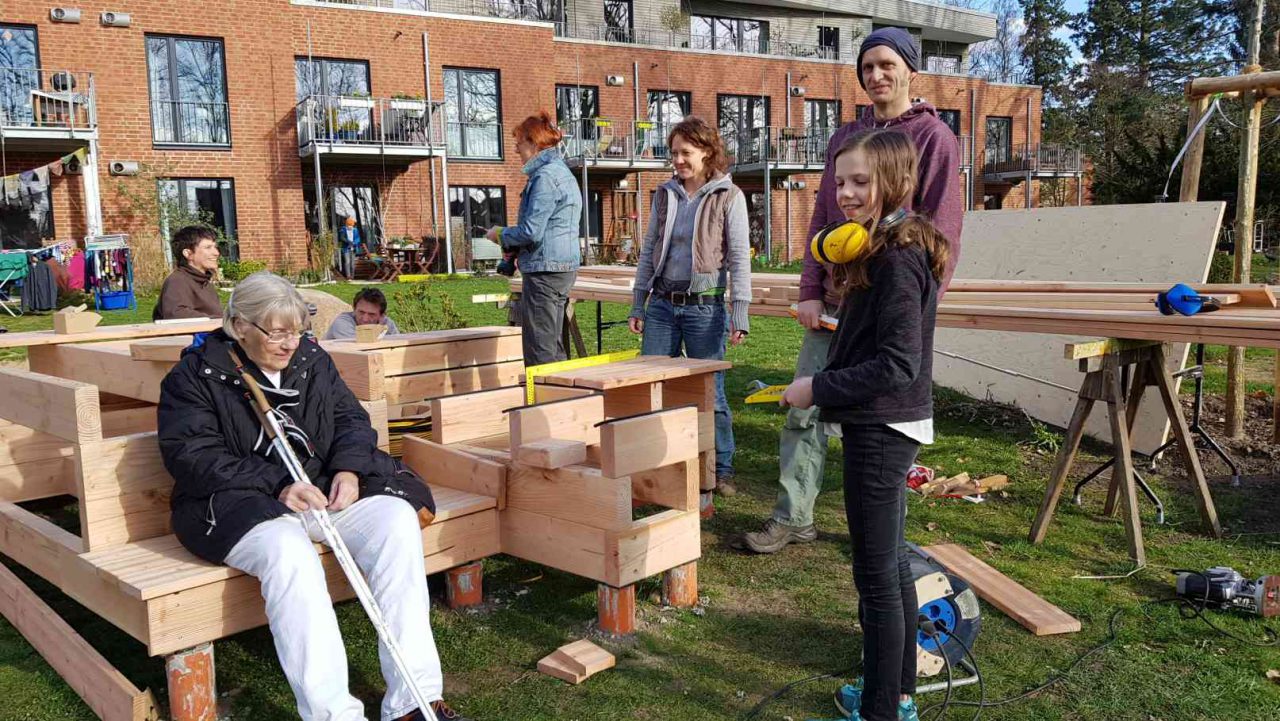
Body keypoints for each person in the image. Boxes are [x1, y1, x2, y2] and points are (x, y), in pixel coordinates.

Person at [156, 272, 468, 721]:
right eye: (277, 332)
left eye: (298, 330)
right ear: (239, 325)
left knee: (396, 521)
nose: (289, 344)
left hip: (321, 490)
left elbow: (351, 421)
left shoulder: (311, 358)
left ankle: (414, 702)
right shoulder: (196, 375)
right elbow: (192, 457)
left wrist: (349, 468)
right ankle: (334, 714)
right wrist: (277, 484)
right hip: (238, 504)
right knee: (291, 554)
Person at [736, 26, 963, 554]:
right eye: (867, 67)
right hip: (838, 301)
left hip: (886, 303)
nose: (877, 75)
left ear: (911, 69)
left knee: (880, 423)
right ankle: (795, 516)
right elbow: (823, 214)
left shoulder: (933, 138)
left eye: (887, 64)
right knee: (803, 408)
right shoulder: (845, 138)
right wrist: (811, 287)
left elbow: (942, 228)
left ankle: (882, 537)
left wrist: (918, 308)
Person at [780, 129, 949, 721]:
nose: (846, 193)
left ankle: (881, 710)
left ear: (895, 181)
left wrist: (815, 387)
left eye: (860, 182)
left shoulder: (898, 258)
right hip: (879, 423)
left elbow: (898, 364)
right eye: (840, 181)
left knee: (875, 575)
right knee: (891, 563)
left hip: (883, 427)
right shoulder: (878, 248)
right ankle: (896, 694)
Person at [628, 115, 750, 494]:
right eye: (673, 153)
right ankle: (662, 463)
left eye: (686, 152)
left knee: (710, 392)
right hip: (663, 305)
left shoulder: (728, 196)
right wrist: (638, 302)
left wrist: (739, 310)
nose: (678, 160)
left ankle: (722, 466)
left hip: (705, 309)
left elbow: (740, 259)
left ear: (707, 152)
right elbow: (649, 249)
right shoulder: (664, 195)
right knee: (652, 385)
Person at [486, 111, 582, 365]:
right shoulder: (561, 172)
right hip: (558, 267)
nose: (517, 149)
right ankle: (562, 398)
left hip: (545, 271)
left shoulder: (545, 177)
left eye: (519, 142)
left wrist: (500, 235)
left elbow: (531, 231)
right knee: (552, 341)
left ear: (533, 142)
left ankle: (542, 400)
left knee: (540, 347)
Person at [154, 225, 223, 321]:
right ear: (188, 254)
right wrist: (219, 320)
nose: (216, 253)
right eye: (208, 247)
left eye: (215, 247)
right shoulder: (177, 281)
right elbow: (176, 314)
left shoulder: (204, 281)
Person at [324, 287, 401, 340]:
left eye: (371, 314)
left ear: (382, 315)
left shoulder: (387, 323)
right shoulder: (342, 323)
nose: (365, 319)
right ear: (354, 309)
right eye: (361, 312)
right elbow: (360, 348)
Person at [338, 216, 364, 280]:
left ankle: (352, 276)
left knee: (352, 263)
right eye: (348, 225)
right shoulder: (343, 230)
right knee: (347, 262)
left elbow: (358, 239)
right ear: (346, 225)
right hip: (346, 248)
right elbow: (341, 238)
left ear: (353, 225)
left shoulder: (355, 230)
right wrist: (349, 242)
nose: (350, 227)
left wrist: (354, 243)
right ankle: (348, 276)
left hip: (353, 248)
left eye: (351, 225)